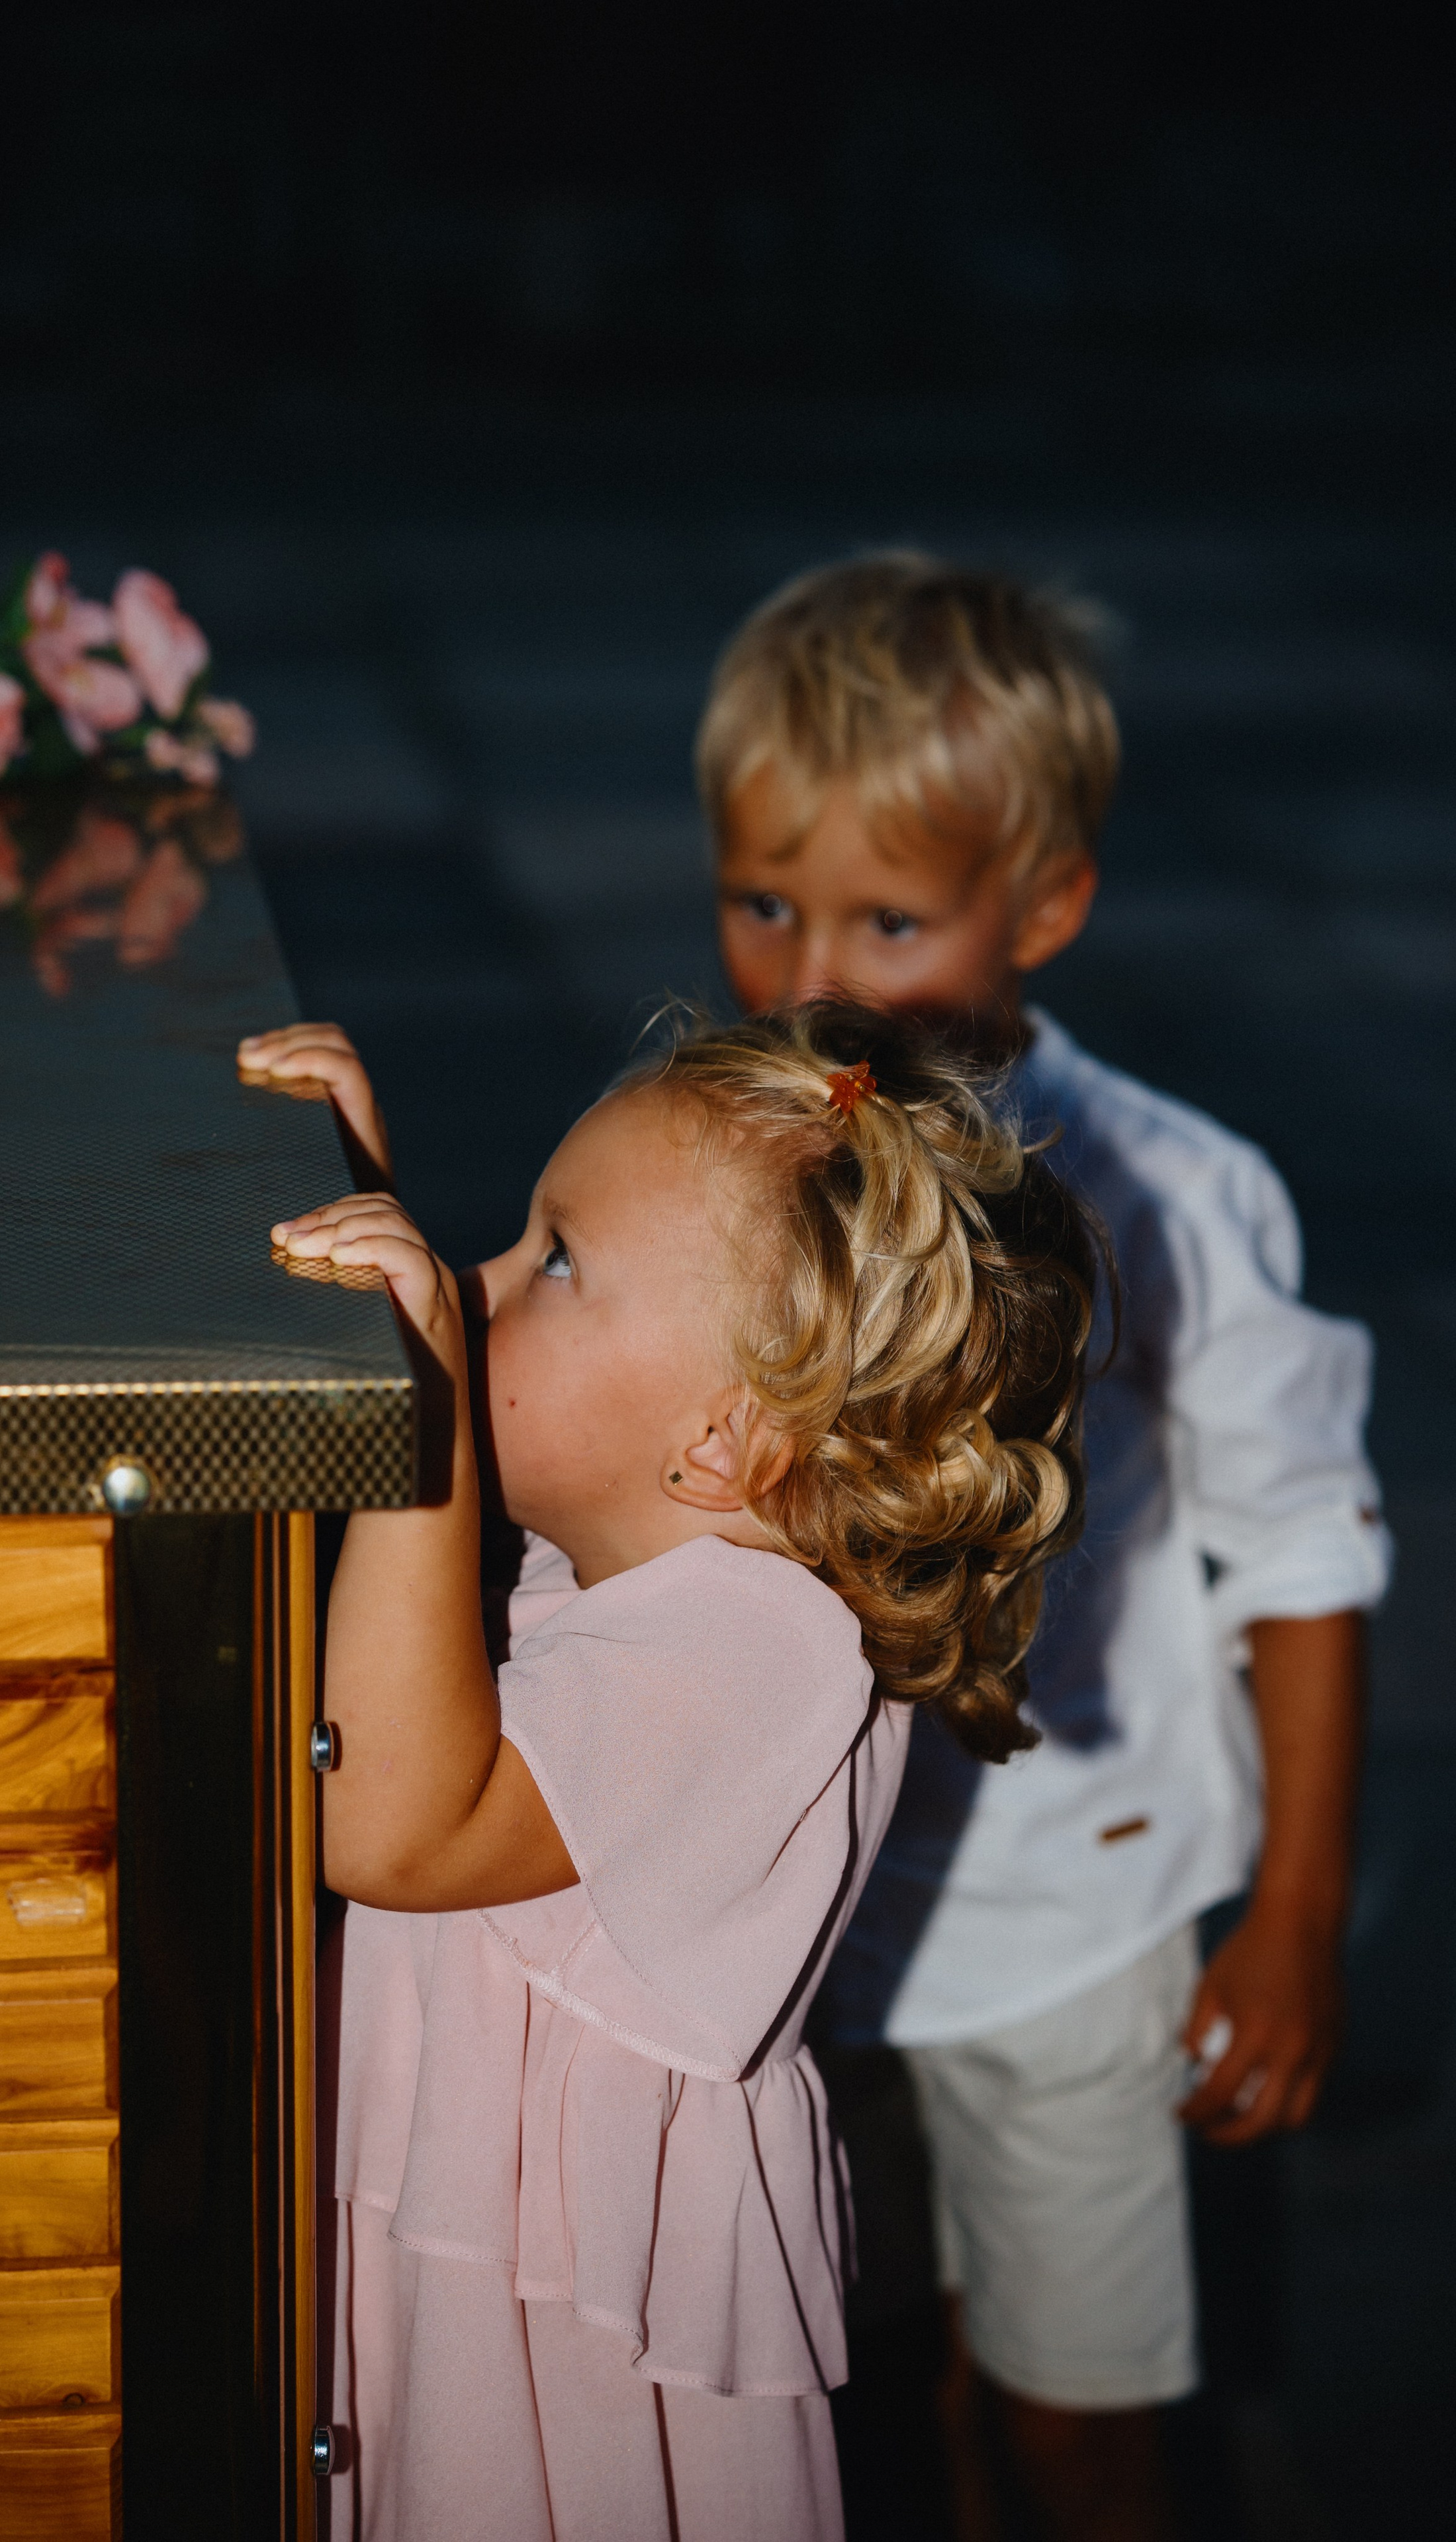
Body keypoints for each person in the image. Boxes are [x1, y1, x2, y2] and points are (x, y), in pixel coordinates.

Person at [692, 553, 1392, 2541]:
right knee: (863, 2387)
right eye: (762, 902)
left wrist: (1295, 1912)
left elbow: (1304, 1552)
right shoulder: (723, 1162)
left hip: (1074, 1923)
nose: (810, 977)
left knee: (1076, 2420)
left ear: (1048, 907)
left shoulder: (1168, 1192)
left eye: (889, 921)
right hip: (809, 1915)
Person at [246, 1002, 1097, 2542]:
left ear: (723, 1441)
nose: (479, 1282)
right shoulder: (648, 1567)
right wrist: (351, 1214)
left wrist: (424, 1397)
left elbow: (392, 1828)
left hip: (558, 2355)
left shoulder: (760, 1652)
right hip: (477, 2247)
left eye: (555, 1261)